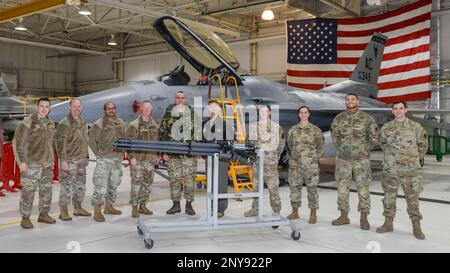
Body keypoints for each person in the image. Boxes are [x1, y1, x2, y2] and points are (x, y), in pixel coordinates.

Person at [376, 101, 428, 240]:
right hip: (390, 169)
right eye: (395, 109)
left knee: (412, 199)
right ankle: (388, 224)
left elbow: (423, 146)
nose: (398, 111)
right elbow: (383, 144)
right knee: (388, 198)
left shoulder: (416, 127)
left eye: (401, 108)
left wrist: (412, 159)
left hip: (409, 170)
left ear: (406, 110)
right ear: (392, 111)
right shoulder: (386, 127)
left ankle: (416, 227)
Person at [330, 93, 379, 230]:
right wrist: (342, 149)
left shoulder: (366, 119)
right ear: (345, 102)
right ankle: (344, 216)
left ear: (357, 101)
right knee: (342, 188)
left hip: (361, 160)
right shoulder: (339, 118)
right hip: (343, 160)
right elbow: (335, 137)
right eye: (348, 100)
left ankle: (364, 218)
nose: (350, 101)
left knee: (363, 189)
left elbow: (374, 137)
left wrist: (364, 150)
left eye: (352, 99)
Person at [13, 98, 56, 229]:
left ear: (50, 109)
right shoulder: (27, 123)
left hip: (47, 164)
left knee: (46, 191)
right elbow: (17, 143)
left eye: (47, 107)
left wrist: (52, 160)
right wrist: (20, 162)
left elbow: (51, 143)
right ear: (37, 107)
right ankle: (25, 218)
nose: (44, 109)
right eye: (41, 106)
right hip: (31, 165)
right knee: (28, 193)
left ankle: (43, 214)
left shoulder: (50, 123)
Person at [159, 91, 198, 215]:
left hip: (188, 154)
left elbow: (198, 132)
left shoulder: (192, 113)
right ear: (175, 99)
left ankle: (189, 205)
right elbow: (162, 132)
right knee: (174, 180)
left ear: (185, 100)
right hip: (173, 154)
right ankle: (176, 205)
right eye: (178, 98)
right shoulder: (168, 113)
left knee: (189, 181)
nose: (180, 100)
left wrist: (197, 149)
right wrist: (163, 152)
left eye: (182, 98)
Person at [245, 105, 285, 217]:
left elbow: (281, 144)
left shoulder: (276, 127)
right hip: (257, 162)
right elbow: (250, 144)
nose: (263, 113)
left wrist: (275, 157)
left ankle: (276, 210)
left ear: (270, 112)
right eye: (261, 111)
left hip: (270, 162)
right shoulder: (253, 127)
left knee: (273, 186)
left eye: (265, 111)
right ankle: (255, 209)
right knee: (256, 186)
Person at [286, 106, 324, 223]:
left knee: (312, 189)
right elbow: (290, 145)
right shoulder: (293, 130)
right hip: (295, 165)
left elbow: (320, 146)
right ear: (298, 114)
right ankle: (295, 212)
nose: (303, 114)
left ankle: (313, 213)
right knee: (294, 188)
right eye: (301, 112)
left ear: (309, 114)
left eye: (305, 112)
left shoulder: (315, 130)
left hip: (311, 166)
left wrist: (313, 158)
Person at [89, 102, 125, 222]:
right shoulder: (99, 124)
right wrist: (98, 155)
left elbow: (123, 138)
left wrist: (122, 152)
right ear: (105, 110)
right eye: (108, 109)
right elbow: (91, 141)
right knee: (100, 185)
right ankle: (97, 210)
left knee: (113, 184)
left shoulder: (120, 122)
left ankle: (109, 206)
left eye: (113, 108)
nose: (111, 110)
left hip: (117, 159)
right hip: (104, 159)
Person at [55, 99, 91, 221]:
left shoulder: (82, 121)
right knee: (67, 186)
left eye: (79, 106)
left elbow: (85, 140)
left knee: (80, 185)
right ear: (69, 108)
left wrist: (86, 156)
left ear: (82, 108)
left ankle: (78, 207)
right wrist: (63, 160)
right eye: (74, 106)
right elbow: (60, 144)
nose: (77, 109)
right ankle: (63, 211)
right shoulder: (64, 123)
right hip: (69, 160)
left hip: (81, 160)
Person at [125, 101, 159, 218]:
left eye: (149, 108)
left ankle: (143, 206)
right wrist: (132, 157)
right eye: (144, 108)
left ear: (151, 110)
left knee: (147, 185)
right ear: (141, 109)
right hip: (138, 161)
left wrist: (157, 156)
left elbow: (157, 143)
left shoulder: (154, 125)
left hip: (150, 161)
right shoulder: (134, 125)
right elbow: (128, 143)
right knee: (136, 185)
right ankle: (134, 207)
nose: (146, 110)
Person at [203, 101, 234, 218]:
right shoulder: (205, 125)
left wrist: (225, 155)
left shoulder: (226, 125)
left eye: (215, 107)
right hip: (209, 158)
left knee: (220, 184)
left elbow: (231, 142)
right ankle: (211, 207)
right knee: (210, 183)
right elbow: (202, 141)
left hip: (221, 159)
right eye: (210, 107)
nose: (212, 109)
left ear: (220, 110)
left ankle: (220, 208)